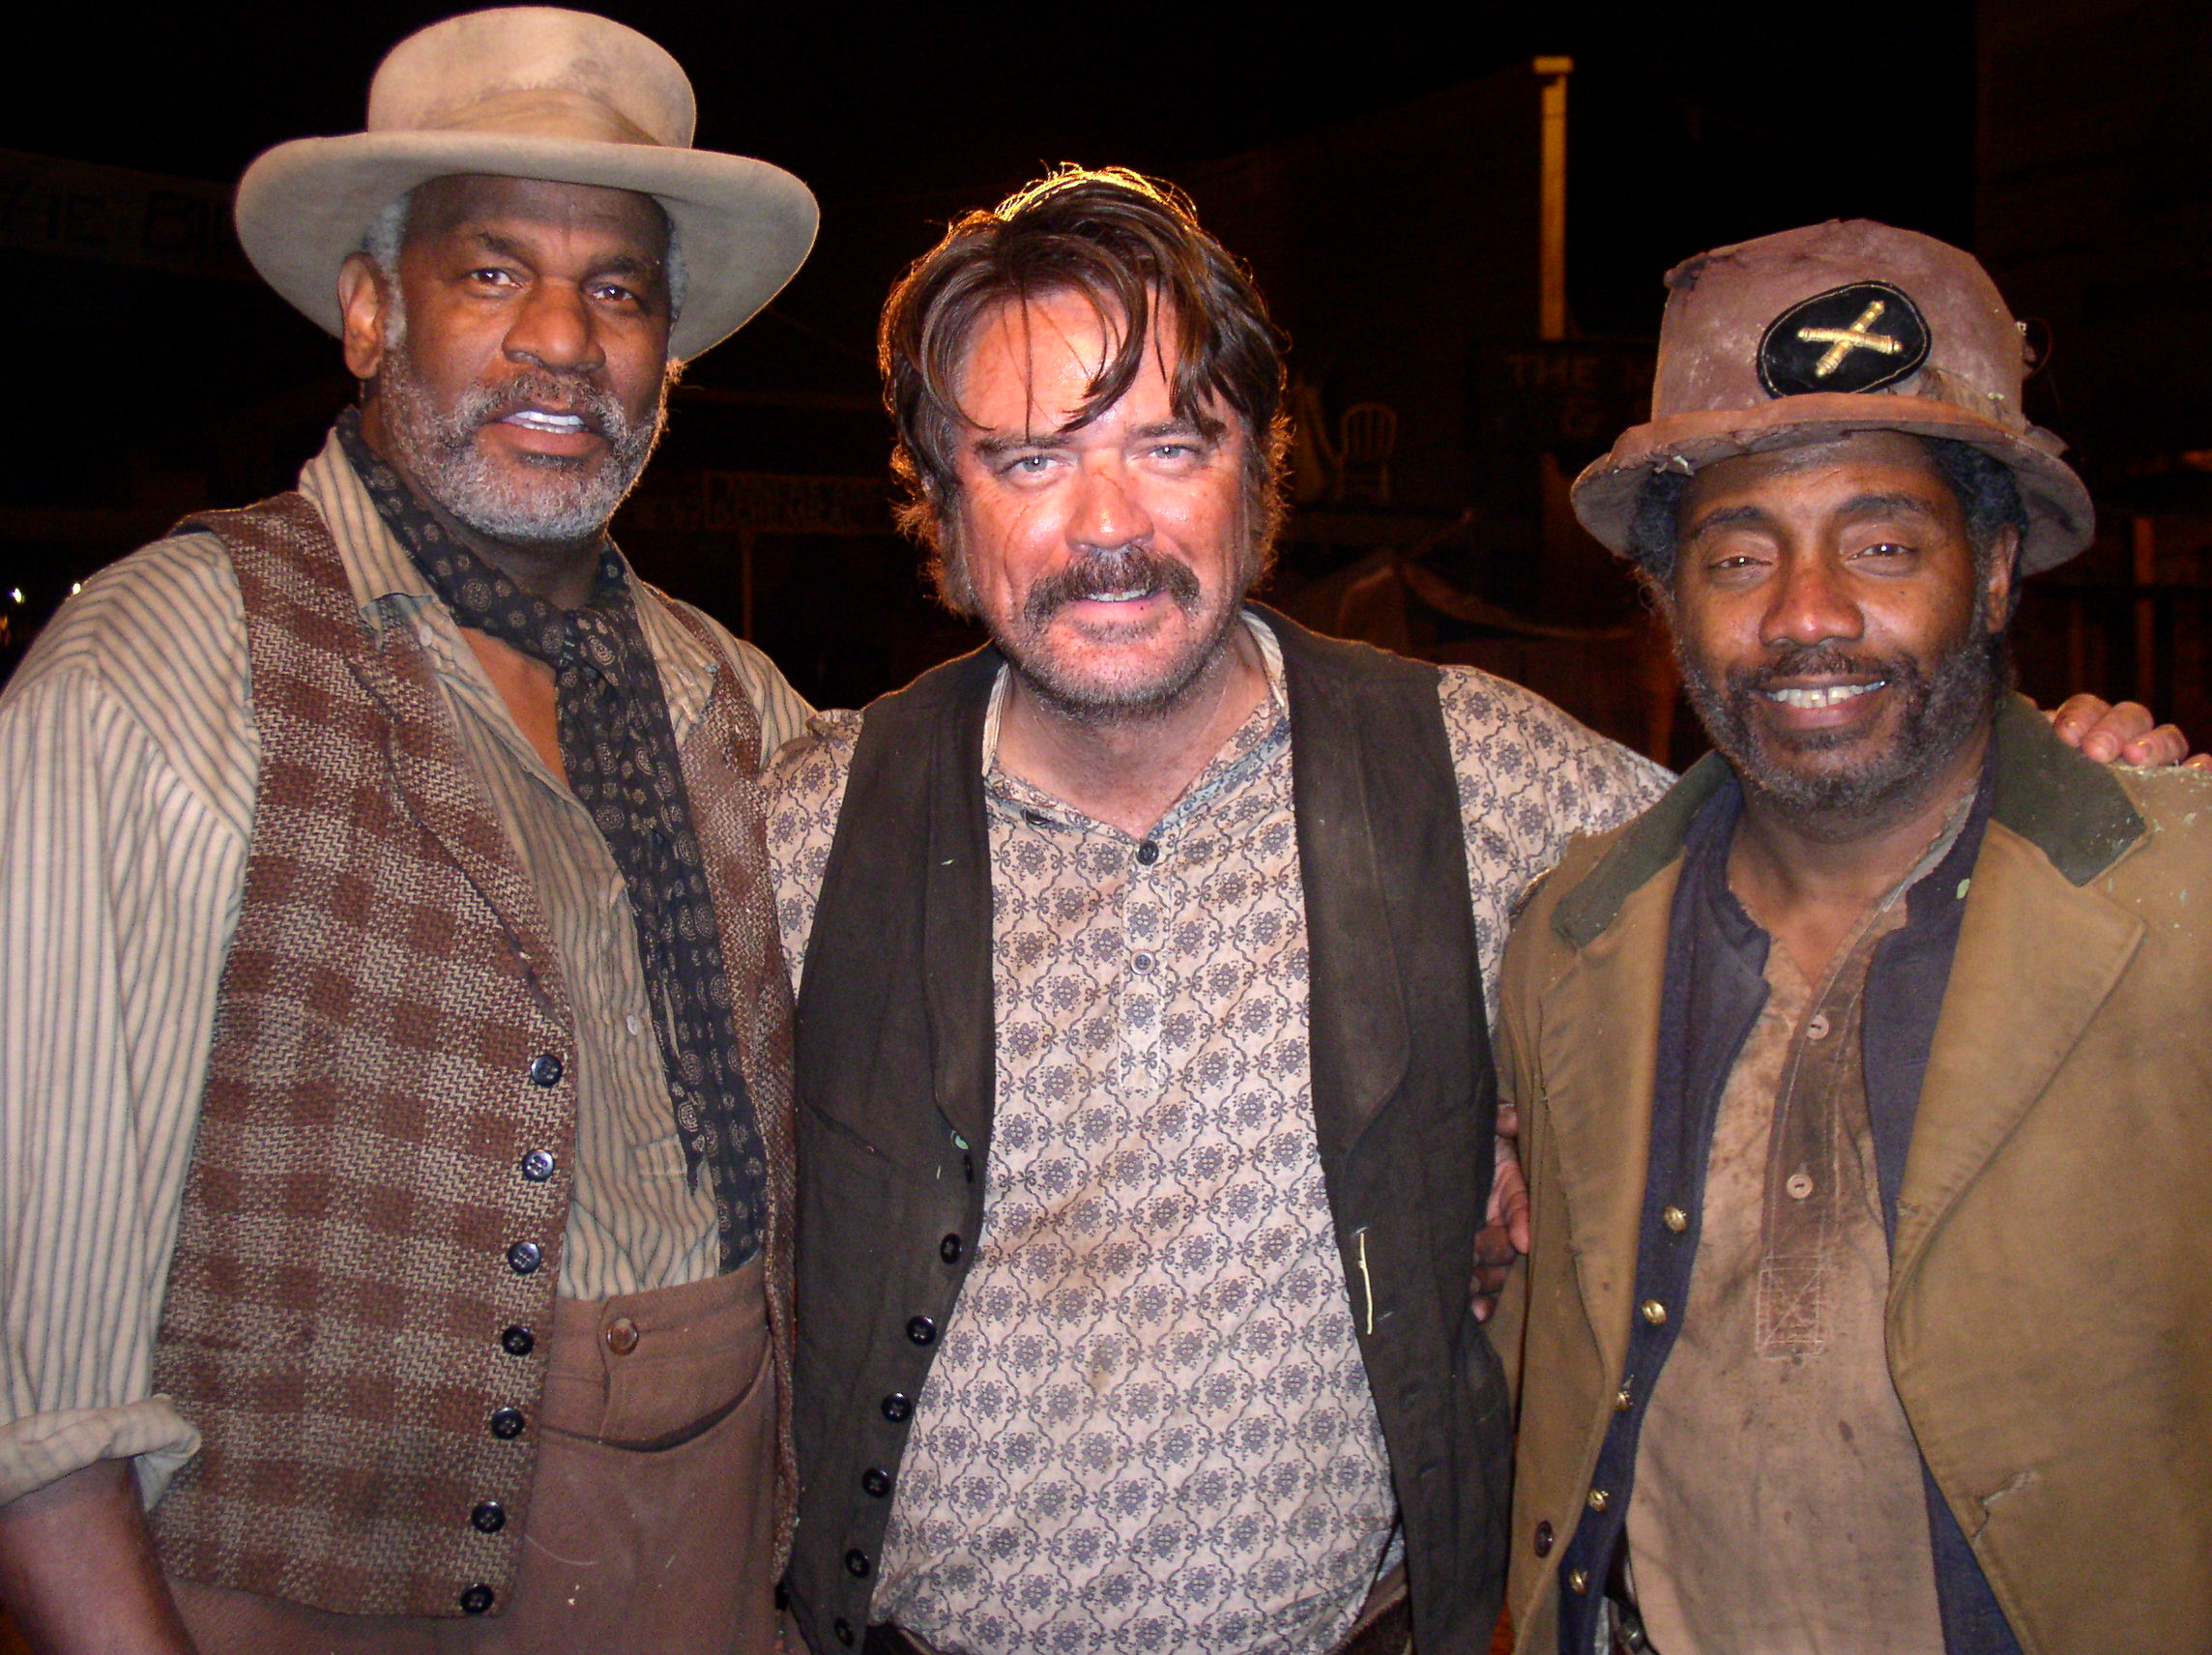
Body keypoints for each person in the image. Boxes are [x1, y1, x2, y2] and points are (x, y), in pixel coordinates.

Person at [759, 175, 2171, 1655]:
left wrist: (2041, 787)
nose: (1109, 524)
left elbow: (1811, 824)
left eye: (1171, 444)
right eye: (1033, 460)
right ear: (940, 495)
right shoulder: (810, 830)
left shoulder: (1476, 770)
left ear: (1258, 468)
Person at [0, 10, 818, 1652]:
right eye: (491, 274)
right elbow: (35, 1376)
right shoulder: (168, 662)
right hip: (312, 1602)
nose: (562, 346)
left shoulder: (741, 701)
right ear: (373, 312)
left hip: (714, 1578)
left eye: (617, 291)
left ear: (670, 353)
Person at [1490, 219, 2212, 1655]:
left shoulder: (2179, 921)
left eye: (1882, 545)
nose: (1809, 617)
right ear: (1668, 599)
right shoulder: (1571, 943)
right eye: (1741, 555)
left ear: (1996, 568)